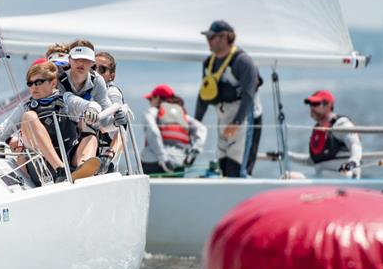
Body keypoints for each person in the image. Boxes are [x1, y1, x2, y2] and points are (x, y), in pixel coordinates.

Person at [0, 61, 101, 183]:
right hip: (42, 167)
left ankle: (83, 169)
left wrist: (92, 110)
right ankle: (60, 171)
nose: (33, 87)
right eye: (30, 83)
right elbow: (0, 131)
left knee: (91, 135)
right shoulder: (26, 106)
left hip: (69, 158)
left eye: (38, 82)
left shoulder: (66, 99)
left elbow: (91, 105)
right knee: (29, 116)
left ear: (53, 83)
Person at [194, 20, 260, 178]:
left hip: (245, 118)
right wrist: (196, 124)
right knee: (223, 165)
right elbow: (203, 95)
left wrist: (236, 123)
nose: (208, 41)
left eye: (211, 37)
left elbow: (248, 95)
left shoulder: (243, 62)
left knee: (237, 169)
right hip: (223, 117)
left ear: (224, 37)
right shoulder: (209, 63)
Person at [275, 90, 363, 178]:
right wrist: (286, 155)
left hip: (341, 177)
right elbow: (312, 161)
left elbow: (355, 145)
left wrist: (353, 162)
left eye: (316, 104)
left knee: (289, 178)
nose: (312, 108)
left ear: (328, 105)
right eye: (310, 104)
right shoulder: (318, 130)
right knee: (286, 176)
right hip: (322, 178)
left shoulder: (341, 124)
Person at [141, 84, 207, 175]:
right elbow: (202, 129)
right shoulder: (182, 116)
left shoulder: (152, 112)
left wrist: (163, 157)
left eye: (150, 99)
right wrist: (194, 151)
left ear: (158, 98)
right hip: (178, 161)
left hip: (154, 161)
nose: (149, 102)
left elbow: (152, 132)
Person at [95, 51, 128, 172]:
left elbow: (119, 127)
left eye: (102, 69)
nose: (96, 72)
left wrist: (109, 155)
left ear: (111, 76)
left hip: (104, 157)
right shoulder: (88, 91)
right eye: (93, 67)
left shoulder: (112, 92)